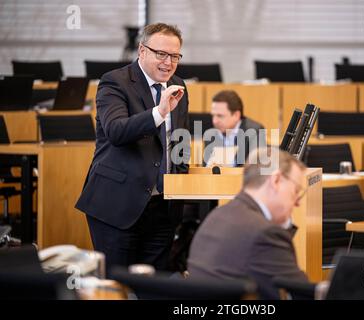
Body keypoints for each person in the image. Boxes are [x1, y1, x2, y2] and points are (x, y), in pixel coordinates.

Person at [75, 23, 189, 271]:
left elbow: (180, 138)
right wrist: (159, 112)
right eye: (161, 54)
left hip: (162, 209)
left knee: (153, 288)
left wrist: (182, 185)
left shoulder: (178, 85)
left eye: (175, 56)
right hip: (118, 204)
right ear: (142, 50)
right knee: (118, 287)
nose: (168, 63)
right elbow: (117, 131)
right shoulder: (114, 82)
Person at [188, 148, 309, 299]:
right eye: (296, 191)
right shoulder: (265, 234)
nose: (297, 202)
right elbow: (303, 294)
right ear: (276, 180)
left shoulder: (215, 216)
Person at [204, 90, 265, 167]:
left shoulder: (254, 131)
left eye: (220, 116)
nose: (215, 121)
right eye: (213, 116)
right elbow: (205, 169)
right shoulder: (211, 134)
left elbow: (256, 168)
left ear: (236, 115)